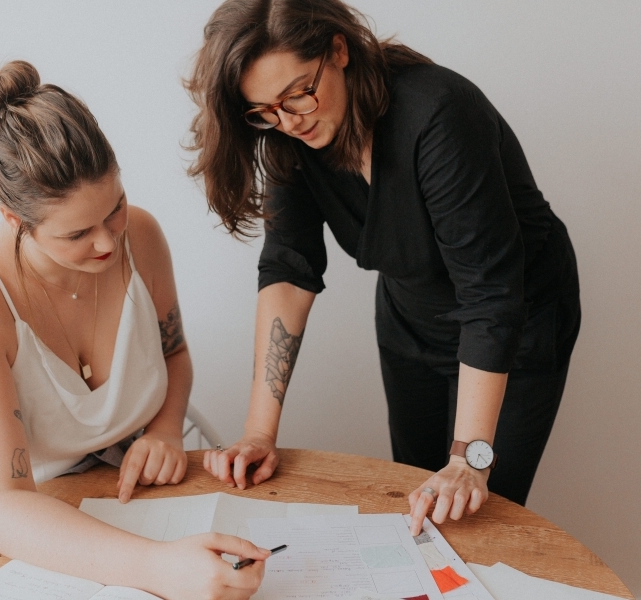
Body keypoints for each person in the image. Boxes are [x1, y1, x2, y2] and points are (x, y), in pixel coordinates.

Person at [187, 0, 580, 536]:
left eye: (298, 92)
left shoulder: (438, 113)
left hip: (517, 319)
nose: (289, 120)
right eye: (265, 110)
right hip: (409, 317)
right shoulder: (287, 136)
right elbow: (288, 269)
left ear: (338, 50)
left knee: (473, 513)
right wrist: (258, 432)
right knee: (417, 498)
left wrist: (468, 459)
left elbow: (490, 296)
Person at [0, 60, 268, 599]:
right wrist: (160, 569)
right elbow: (2, 503)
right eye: (77, 234)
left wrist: (162, 429)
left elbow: (174, 354)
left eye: (114, 209)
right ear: (14, 221)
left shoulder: (142, 236)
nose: (109, 244)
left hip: (99, 489)